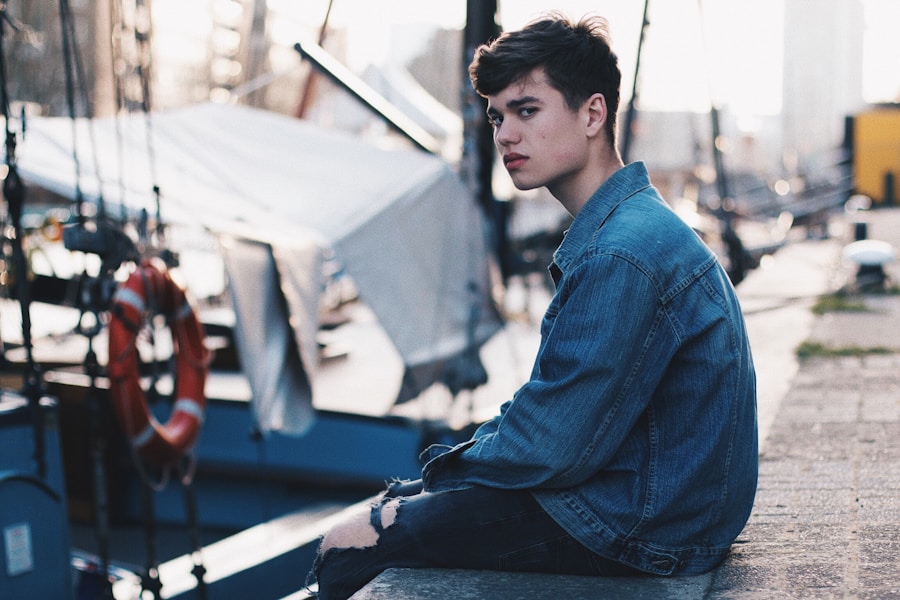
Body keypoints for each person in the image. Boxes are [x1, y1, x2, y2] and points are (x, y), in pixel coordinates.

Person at [310, 12, 757, 599]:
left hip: (640, 528)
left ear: (593, 113)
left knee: (347, 540)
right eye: (497, 116)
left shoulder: (621, 253)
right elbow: (555, 416)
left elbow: (551, 443)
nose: (504, 136)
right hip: (667, 511)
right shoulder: (635, 227)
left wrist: (432, 481)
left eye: (526, 110)